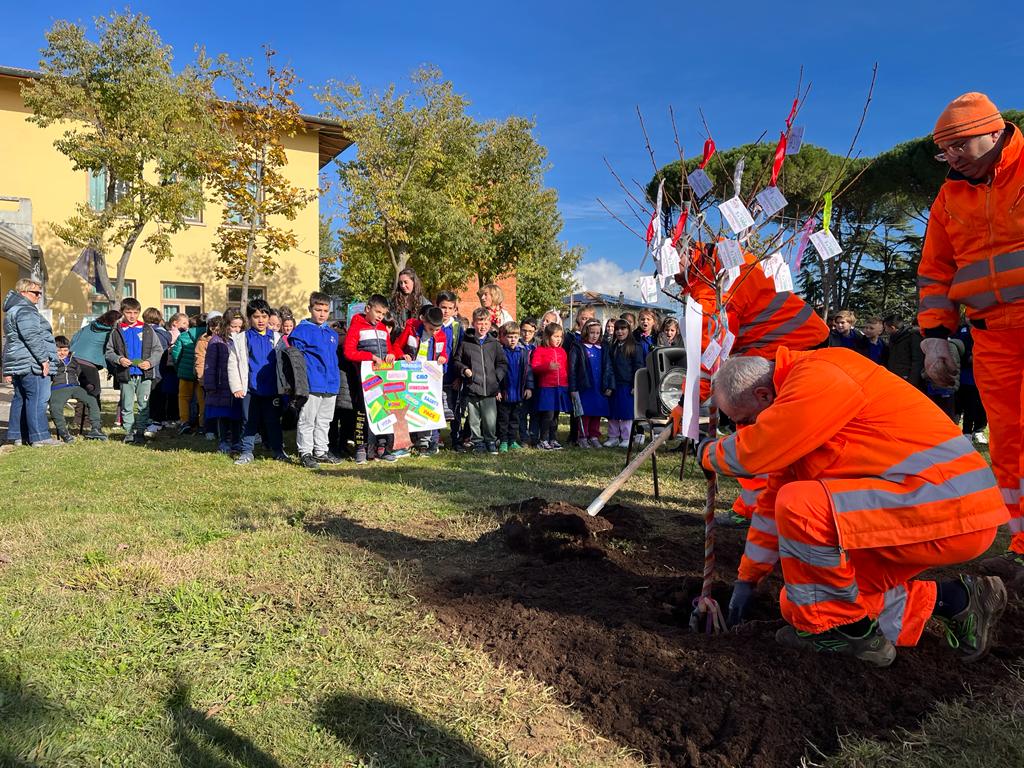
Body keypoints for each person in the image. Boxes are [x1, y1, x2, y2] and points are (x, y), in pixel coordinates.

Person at [706, 349, 1009, 667]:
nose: (743, 429)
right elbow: (770, 507)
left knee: (800, 505)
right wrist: (748, 578)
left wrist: (708, 454)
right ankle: (957, 600)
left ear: (763, 395)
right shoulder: (799, 413)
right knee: (807, 601)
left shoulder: (817, 376)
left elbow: (756, 451)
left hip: (953, 505)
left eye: (744, 421)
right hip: (930, 508)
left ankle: (848, 633)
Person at [916, 93, 1024, 580]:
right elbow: (935, 273)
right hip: (993, 338)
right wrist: (936, 336)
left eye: (959, 144)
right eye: (944, 150)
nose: (952, 156)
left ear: (995, 132)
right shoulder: (948, 198)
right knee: (1007, 444)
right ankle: (1022, 547)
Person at [672, 241, 829, 527]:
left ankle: (763, 508)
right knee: (758, 425)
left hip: (790, 349)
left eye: (671, 265)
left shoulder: (714, 287)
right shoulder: (721, 261)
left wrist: (687, 404)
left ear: (685, 254)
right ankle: (757, 504)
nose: (670, 275)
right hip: (788, 345)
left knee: (756, 424)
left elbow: (708, 353)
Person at [228, 298, 287, 465]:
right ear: (249, 318)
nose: (260, 320)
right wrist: (237, 387)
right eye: (256, 316)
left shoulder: (277, 338)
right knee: (249, 420)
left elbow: (284, 364)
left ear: (269, 317)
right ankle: (247, 451)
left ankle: (278, 450)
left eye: (264, 316)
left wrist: (285, 386)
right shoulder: (241, 339)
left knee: (273, 421)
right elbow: (233, 364)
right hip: (250, 389)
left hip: (272, 389)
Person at [343, 294, 399, 464]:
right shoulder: (356, 327)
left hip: (383, 379)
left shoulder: (382, 328)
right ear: (368, 309)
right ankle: (361, 448)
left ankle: (383, 447)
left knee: (384, 411)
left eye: (383, 314)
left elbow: (390, 348)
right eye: (378, 312)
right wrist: (370, 357)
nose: (380, 317)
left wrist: (392, 354)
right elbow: (349, 352)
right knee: (362, 413)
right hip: (363, 380)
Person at [2, 278, 58, 446]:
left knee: (20, 398)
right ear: (23, 292)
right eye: (35, 293)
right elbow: (32, 337)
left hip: (20, 363)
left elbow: (9, 342)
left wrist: (7, 368)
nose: (39, 296)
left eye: (40, 293)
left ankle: (18, 436)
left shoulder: (12, 310)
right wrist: (44, 359)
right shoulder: (26, 310)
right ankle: (40, 437)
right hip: (32, 362)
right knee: (38, 398)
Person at [288, 292, 341, 469]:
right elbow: (296, 361)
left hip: (330, 383)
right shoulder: (301, 332)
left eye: (325, 310)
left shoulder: (331, 333)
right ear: (310, 309)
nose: (322, 314)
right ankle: (305, 452)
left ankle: (321, 450)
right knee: (307, 419)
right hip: (312, 382)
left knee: (325, 420)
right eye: (318, 310)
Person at [104, 297, 164, 444]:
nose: (132, 316)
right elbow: (109, 352)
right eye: (128, 312)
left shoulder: (147, 329)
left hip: (145, 375)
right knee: (127, 405)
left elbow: (158, 350)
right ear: (122, 312)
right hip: (126, 374)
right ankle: (129, 432)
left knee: (144, 405)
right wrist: (119, 359)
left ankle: (141, 431)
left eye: (135, 312)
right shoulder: (116, 331)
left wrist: (150, 362)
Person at [396, 305, 449, 454]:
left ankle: (424, 442)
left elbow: (444, 353)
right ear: (424, 321)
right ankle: (405, 442)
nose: (434, 333)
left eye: (437, 329)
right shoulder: (411, 330)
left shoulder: (441, 335)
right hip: (409, 376)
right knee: (407, 407)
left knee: (425, 407)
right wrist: (402, 355)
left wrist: (443, 358)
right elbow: (397, 346)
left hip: (429, 378)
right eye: (431, 329)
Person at [455, 307, 507, 454]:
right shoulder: (465, 343)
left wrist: (496, 377)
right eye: (479, 323)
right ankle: (477, 442)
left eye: (486, 323)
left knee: (490, 419)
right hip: (472, 387)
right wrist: (464, 369)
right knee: (474, 419)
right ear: (473, 323)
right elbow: (457, 361)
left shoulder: (494, 344)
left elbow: (502, 363)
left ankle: (490, 441)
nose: (483, 326)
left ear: (490, 324)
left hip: (490, 389)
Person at [69, 308, 121, 434]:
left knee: (82, 391)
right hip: (88, 363)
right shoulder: (111, 333)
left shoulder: (89, 326)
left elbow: (74, 339)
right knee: (94, 392)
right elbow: (109, 352)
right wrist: (113, 370)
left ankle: (79, 420)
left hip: (72, 360)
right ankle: (91, 421)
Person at [49, 335, 106, 442]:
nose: (62, 353)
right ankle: (64, 432)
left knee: (92, 400)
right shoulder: (51, 361)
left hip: (75, 386)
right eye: (59, 350)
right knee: (55, 407)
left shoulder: (73, 360)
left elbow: (81, 375)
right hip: (58, 388)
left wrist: (88, 384)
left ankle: (96, 428)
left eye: (65, 350)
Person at [203, 316, 242, 455]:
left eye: (239, 326)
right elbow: (210, 365)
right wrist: (210, 384)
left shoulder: (241, 340)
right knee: (223, 415)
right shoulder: (216, 341)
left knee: (237, 415)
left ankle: (236, 441)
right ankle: (223, 441)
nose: (237, 330)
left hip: (237, 384)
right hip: (221, 385)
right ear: (226, 325)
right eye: (233, 326)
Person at [603, 319, 643, 448]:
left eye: (623, 329)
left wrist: (635, 385)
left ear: (628, 330)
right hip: (614, 384)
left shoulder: (635, 346)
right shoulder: (613, 346)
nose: (620, 332)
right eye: (617, 329)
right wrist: (609, 384)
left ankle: (627, 437)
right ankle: (613, 437)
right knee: (613, 412)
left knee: (626, 413)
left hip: (628, 384)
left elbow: (638, 367)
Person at [530, 322, 569, 450]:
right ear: (547, 337)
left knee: (556, 415)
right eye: (555, 336)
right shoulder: (540, 350)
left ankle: (553, 438)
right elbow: (534, 367)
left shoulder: (562, 351)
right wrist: (547, 367)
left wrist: (566, 384)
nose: (558, 339)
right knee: (548, 415)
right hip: (547, 388)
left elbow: (566, 369)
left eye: (560, 337)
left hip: (560, 388)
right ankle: (543, 439)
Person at [496, 321, 533, 452]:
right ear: (504, 337)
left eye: (515, 337)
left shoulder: (523, 353)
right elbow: (496, 373)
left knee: (515, 419)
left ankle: (512, 440)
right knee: (503, 420)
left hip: (518, 392)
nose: (512, 340)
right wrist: (497, 390)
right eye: (510, 337)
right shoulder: (500, 353)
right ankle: (503, 441)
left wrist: (528, 387)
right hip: (505, 393)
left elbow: (528, 371)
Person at [436, 291, 464, 451]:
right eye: (443, 307)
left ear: (454, 310)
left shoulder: (457, 328)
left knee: (454, 409)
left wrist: (459, 377)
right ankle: (435, 438)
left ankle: (456, 439)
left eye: (449, 308)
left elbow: (461, 353)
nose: (446, 311)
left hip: (452, 376)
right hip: (434, 376)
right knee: (434, 407)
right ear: (437, 307)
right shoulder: (432, 324)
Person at [564, 305, 596, 446]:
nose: (586, 321)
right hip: (575, 376)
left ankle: (589, 434)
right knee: (575, 408)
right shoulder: (571, 337)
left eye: (589, 318)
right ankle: (574, 435)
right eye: (583, 318)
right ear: (578, 319)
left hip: (589, 377)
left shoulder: (596, 339)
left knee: (588, 408)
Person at [172, 313, 207, 435]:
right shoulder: (208, 336)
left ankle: (184, 422)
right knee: (202, 399)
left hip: (185, 373)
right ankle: (202, 424)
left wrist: (179, 369)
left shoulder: (183, 336)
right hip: (202, 373)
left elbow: (176, 355)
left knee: (184, 397)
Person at [955, 321, 988, 445]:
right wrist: (968, 358)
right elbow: (956, 349)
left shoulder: (986, 328)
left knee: (984, 405)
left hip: (985, 375)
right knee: (969, 404)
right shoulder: (961, 331)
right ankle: (967, 432)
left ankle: (979, 430)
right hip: (967, 376)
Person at [577, 319, 609, 447]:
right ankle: (583, 436)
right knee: (586, 411)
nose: (594, 336)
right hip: (586, 385)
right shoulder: (580, 347)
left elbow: (607, 366)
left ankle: (594, 435)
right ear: (586, 332)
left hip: (599, 385)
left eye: (597, 333)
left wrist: (608, 384)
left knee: (597, 410)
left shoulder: (602, 348)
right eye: (592, 333)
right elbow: (575, 368)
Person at [193, 310, 222, 440]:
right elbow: (199, 360)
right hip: (208, 378)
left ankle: (221, 429)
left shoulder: (225, 338)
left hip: (222, 378)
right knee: (208, 405)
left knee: (221, 405)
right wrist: (202, 378)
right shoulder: (203, 340)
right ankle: (209, 429)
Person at [883, 315, 924, 391]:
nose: (884, 330)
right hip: (894, 377)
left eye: (885, 328)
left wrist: (912, 382)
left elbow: (917, 360)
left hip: (908, 379)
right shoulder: (893, 337)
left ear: (892, 328)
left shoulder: (912, 336)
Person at [391, 267, 430, 333]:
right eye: (400, 283)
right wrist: (399, 329)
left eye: (405, 282)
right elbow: (390, 322)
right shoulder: (394, 302)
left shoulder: (425, 304)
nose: (403, 286)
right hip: (398, 337)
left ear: (413, 282)